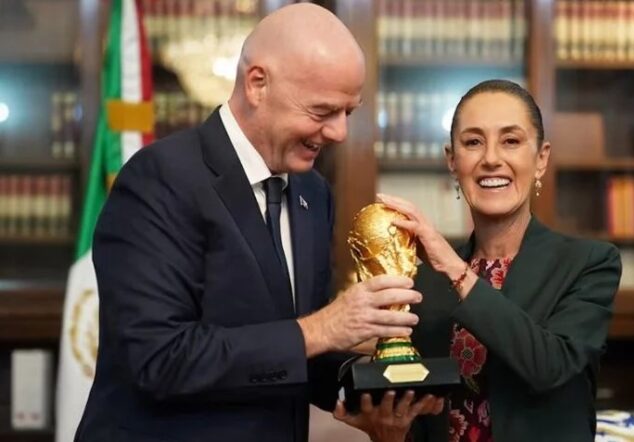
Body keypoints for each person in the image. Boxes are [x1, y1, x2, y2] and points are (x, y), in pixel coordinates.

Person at [76, 4, 440, 442]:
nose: (339, 133)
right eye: (322, 111)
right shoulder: (159, 179)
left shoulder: (312, 192)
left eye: (349, 112)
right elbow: (160, 359)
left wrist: (367, 392)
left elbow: (296, 349)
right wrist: (325, 327)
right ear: (257, 84)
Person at [376, 79, 622, 441]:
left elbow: (548, 366)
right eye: (473, 142)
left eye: (511, 141)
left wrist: (456, 270)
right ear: (452, 161)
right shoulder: (424, 281)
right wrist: (390, 435)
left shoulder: (588, 263)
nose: (491, 159)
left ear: (541, 159)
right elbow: (421, 415)